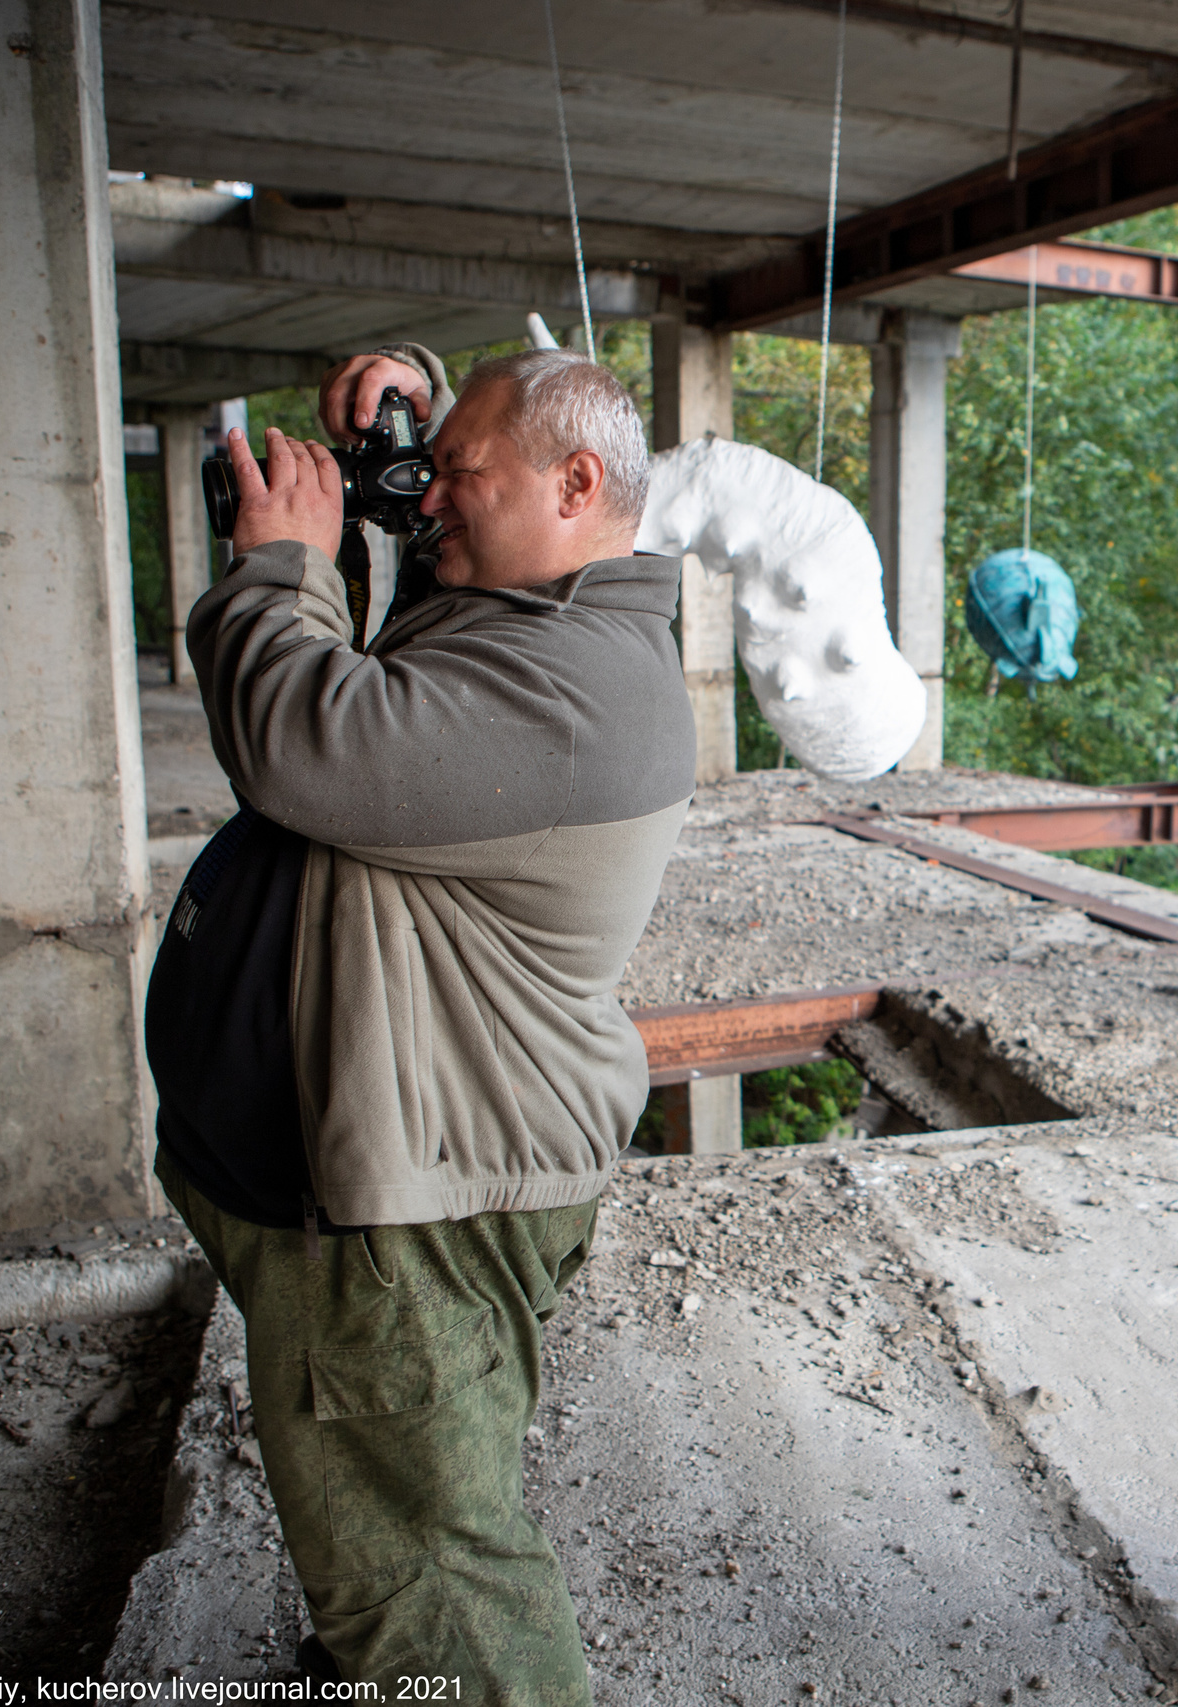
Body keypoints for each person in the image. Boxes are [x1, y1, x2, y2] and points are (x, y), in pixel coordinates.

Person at [143, 342, 696, 1699]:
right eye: (431, 466)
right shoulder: (536, 603)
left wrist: (279, 567)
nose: (428, 498)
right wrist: (413, 397)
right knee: (397, 1510)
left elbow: (299, 736)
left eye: (461, 472)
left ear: (576, 483)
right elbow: (443, 532)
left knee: (431, 1580)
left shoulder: (578, 692)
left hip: (412, 1219)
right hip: (388, 1178)